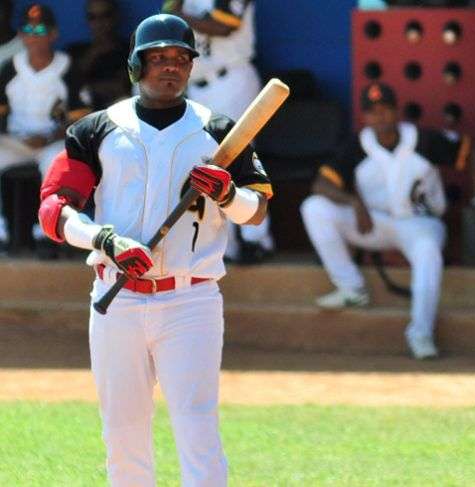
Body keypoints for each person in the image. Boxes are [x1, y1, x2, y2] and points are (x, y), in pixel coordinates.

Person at [37, 14, 272, 485]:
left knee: (198, 431)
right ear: (135, 65)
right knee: (123, 437)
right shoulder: (98, 129)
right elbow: (54, 210)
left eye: (180, 58)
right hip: (116, 297)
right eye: (158, 57)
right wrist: (105, 239)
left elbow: (258, 209)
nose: (170, 66)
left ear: (191, 66)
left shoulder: (219, 131)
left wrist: (227, 194)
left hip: (191, 299)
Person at [300, 82, 470, 360]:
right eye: (372, 112)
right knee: (314, 207)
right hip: (375, 223)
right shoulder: (357, 145)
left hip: (420, 224)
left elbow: (467, 151)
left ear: (396, 111)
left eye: (385, 110)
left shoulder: (424, 139)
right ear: (365, 116)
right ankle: (351, 287)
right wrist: (354, 202)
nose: (379, 117)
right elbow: (321, 184)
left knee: (428, 252)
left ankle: (421, 333)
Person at [162, 0, 272, 262]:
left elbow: (224, 26)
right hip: (197, 85)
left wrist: (177, 15)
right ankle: (227, 245)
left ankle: (256, 240)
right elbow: (166, 23)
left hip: (231, 79)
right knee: (205, 163)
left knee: (239, 157)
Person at [0, 3, 89, 248]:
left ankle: (47, 233)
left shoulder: (67, 67)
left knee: (56, 163)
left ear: (53, 34)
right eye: (28, 30)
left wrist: (51, 136)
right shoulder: (10, 68)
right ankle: (2, 230)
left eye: (40, 30)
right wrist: (14, 135)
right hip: (16, 142)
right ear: (21, 35)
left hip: (53, 141)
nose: (34, 36)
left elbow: (80, 117)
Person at [65, 0, 131, 111]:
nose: (99, 22)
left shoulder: (130, 51)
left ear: (116, 17)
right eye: (92, 17)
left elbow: (124, 89)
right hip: (82, 119)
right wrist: (94, 52)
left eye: (105, 15)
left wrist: (90, 88)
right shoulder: (74, 51)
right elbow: (69, 89)